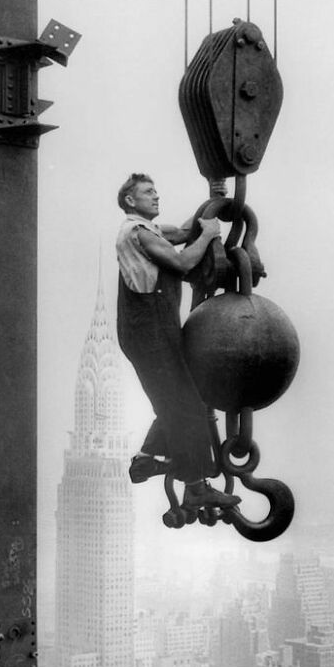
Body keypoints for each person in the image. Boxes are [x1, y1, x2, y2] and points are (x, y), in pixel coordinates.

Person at [115, 173, 240, 510]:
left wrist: (211, 203)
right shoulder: (137, 232)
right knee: (183, 406)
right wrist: (211, 234)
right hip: (149, 331)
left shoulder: (152, 230)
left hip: (156, 329)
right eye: (147, 192)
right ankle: (196, 486)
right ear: (130, 201)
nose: (156, 196)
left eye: (156, 190)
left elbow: (185, 233)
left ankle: (145, 460)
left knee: (178, 400)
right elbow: (184, 263)